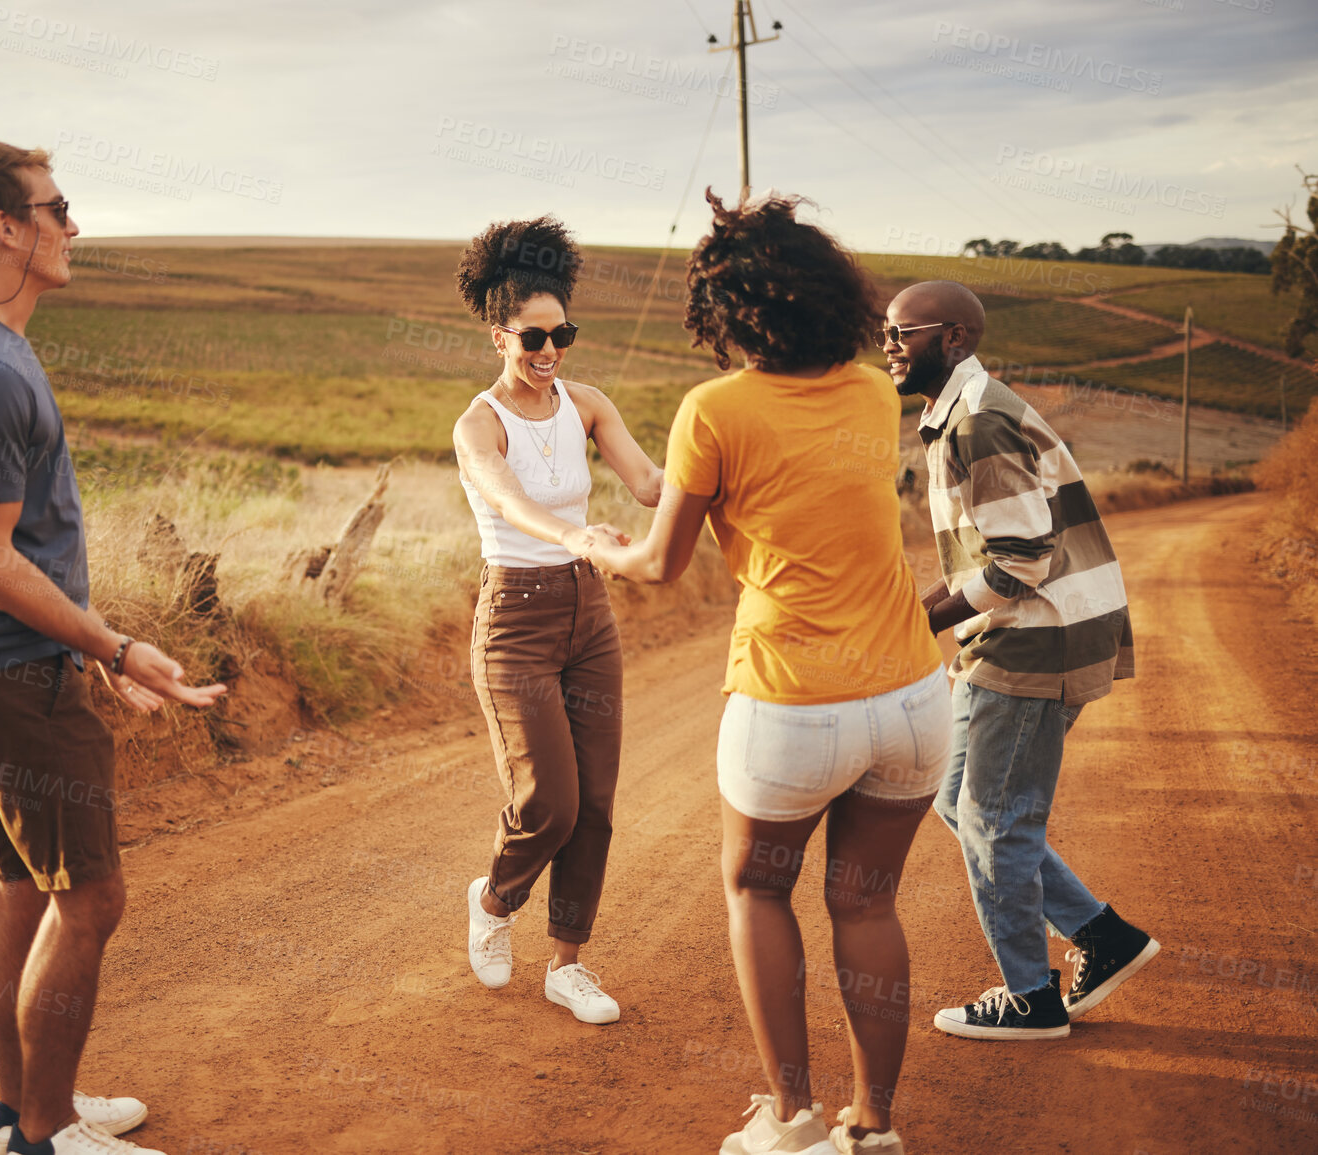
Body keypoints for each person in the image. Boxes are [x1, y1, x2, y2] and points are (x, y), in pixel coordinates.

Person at [588, 192, 948, 1155]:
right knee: (867, 900)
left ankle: (787, 1120)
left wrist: (601, 547)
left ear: (727, 312)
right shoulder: (877, 390)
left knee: (757, 889)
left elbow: (662, 563)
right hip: (914, 691)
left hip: (792, 701)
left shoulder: (712, 410)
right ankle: (872, 1126)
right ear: (829, 294)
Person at [0, 138, 227, 1155]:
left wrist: (87, 653)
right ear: (7, 227)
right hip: (5, 679)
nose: (73, 224)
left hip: (2, 672)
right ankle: (48, 1134)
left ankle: (26, 1113)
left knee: (19, 889)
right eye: (57, 207)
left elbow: (3, 554)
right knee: (88, 899)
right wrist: (116, 644)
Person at [883, 280, 1157, 1041]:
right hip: (1015, 635)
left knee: (994, 822)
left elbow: (1020, 562)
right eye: (885, 331)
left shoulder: (979, 420)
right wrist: (917, 614)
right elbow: (993, 551)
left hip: (1034, 641)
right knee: (954, 798)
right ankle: (1100, 936)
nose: (888, 346)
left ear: (955, 339)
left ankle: (1028, 995)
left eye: (903, 332)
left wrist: (919, 622)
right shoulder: (961, 413)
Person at [452, 215, 663, 1025]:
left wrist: (726, 473)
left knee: (599, 801)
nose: (548, 351)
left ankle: (567, 963)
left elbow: (648, 485)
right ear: (499, 335)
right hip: (515, 619)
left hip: (589, 612)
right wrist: (573, 531)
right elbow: (505, 497)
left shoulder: (586, 404)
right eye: (532, 336)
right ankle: (495, 896)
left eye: (561, 333)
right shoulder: (479, 423)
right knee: (550, 799)